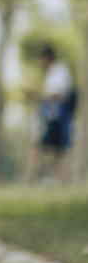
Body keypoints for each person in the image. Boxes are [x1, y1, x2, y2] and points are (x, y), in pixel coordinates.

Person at [28, 44, 77, 182]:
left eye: (41, 59)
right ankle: (36, 179)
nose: (40, 63)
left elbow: (58, 94)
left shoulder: (60, 71)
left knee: (57, 151)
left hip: (57, 118)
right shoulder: (51, 73)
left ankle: (61, 179)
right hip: (51, 116)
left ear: (47, 58)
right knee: (46, 148)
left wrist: (39, 96)